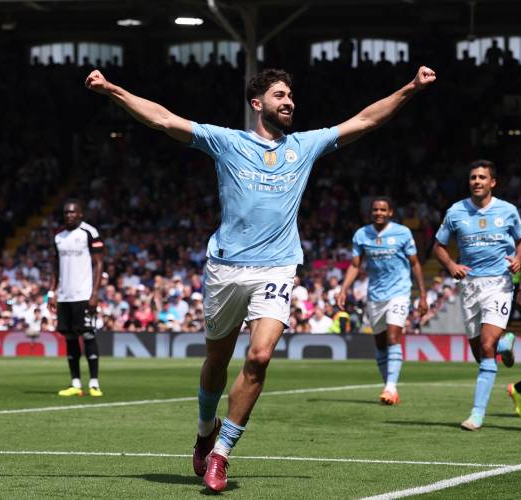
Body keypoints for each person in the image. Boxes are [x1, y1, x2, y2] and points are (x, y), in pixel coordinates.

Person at [86, 64, 436, 492]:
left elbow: (364, 120)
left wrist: (411, 89)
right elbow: (163, 119)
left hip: (277, 267)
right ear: (258, 103)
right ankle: (203, 431)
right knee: (216, 361)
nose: (289, 102)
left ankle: (222, 453)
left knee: (260, 357)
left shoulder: (305, 146)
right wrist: (111, 90)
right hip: (225, 268)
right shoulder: (226, 141)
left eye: (290, 96)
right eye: (280, 95)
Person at [433, 159, 521, 431]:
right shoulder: (456, 211)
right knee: (480, 353)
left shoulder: (507, 211)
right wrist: (451, 265)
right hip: (470, 285)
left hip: (498, 283)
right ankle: (505, 344)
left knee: (486, 347)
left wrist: (518, 260)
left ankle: (476, 414)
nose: (477, 181)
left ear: (492, 182)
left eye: (482, 177)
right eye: (473, 177)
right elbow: (438, 246)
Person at [337, 197, 429, 405]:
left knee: (393, 336)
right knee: (379, 343)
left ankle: (390, 387)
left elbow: (415, 264)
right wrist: (343, 289)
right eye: (375, 210)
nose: (378, 213)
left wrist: (423, 294)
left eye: (383, 210)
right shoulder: (362, 234)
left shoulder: (403, 233)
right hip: (375, 295)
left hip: (399, 291)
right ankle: (389, 385)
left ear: (390, 213)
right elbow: (354, 265)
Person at [48, 200, 105, 397]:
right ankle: (75, 384)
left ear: (80, 214)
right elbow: (55, 267)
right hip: (65, 295)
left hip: (84, 294)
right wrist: (51, 292)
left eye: (73, 212)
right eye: (66, 213)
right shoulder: (58, 237)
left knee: (88, 336)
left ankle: (94, 384)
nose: (69, 215)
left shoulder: (90, 233)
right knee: (70, 338)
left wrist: (95, 293)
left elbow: (99, 264)